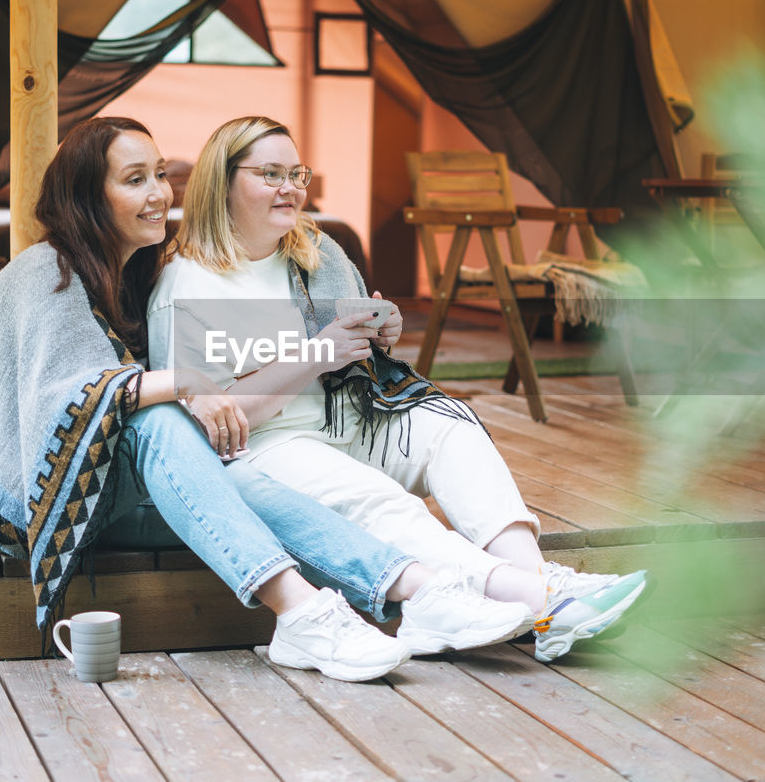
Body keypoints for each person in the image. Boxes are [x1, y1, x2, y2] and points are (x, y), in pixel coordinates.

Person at [0, 116, 538, 683]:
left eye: (161, 175)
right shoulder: (42, 272)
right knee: (161, 423)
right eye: (135, 180)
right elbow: (63, 400)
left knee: (233, 477)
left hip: (121, 487)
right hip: (30, 497)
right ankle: (301, 610)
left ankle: (420, 590)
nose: (160, 193)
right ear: (87, 197)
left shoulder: (136, 270)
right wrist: (186, 381)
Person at [149, 115, 652, 663]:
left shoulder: (318, 253)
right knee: (382, 501)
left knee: (449, 426)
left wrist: (378, 326)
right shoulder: (187, 283)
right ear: (221, 182)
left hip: (349, 415)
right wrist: (322, 351)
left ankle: (539, 584)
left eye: (298, 173)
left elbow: (352, 344)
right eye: (270, 173)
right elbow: (223, 415)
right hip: (269, 446)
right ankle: (540, 598)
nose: (290, 187)